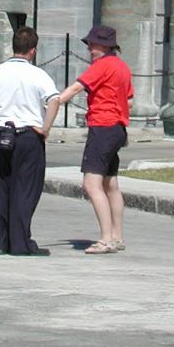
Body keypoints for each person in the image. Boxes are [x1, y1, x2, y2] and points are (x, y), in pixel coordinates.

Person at [0, 26, 60, 256]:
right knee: (25, 189)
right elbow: (54, 99)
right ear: (33, 51)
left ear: (13, 47)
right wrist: (45, 128)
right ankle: (20, 242)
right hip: (28, 135)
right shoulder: (38, 75)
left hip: (0, 132)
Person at [56, 24, 133, 254]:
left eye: (93, 43)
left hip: (103, 127)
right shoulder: (122, 67)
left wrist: (51, 102)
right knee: (111, 184)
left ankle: (106, 239)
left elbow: (74, 89)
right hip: (117, 128)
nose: (89, 47)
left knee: (91, 184)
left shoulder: (102, 65)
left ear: (106, 46)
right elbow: (129, 101)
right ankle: (117, 236)